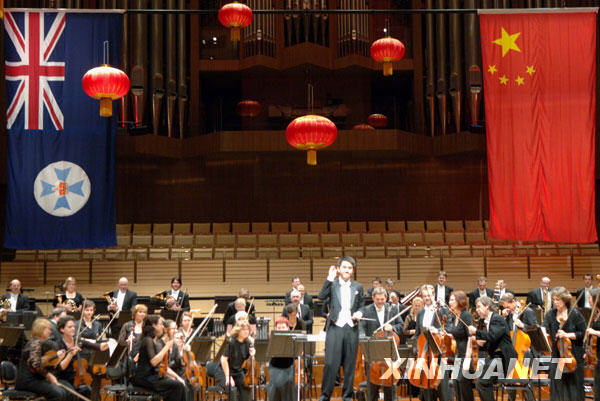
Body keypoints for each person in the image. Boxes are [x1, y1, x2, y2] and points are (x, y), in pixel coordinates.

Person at [318, 256, 364, 401]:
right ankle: (325, 396)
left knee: (350, 365)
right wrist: (329, 278)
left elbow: (361, 305)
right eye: (344, 267)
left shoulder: (358, 287)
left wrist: (360, 313)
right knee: (330, 363)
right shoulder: (332, 284)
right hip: (335, 328)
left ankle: (347, 397)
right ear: (338, 269)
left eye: (350, 268)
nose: (347, 270)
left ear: (353, 270)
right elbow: (321, 296)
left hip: (351, 328)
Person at [467, 296, 518, 401]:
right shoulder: (485, 321)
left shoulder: (497, 318)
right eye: (476, 307)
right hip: (495, 357)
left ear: (487, 306)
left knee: (482, 383)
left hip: (505, 358)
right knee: (481, 382)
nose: (477, 310)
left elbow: (493, 336)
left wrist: (476, 332)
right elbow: (492, 342)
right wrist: (482, 344)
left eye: (479, 307)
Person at [359, 286, 403, 401]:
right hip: (373, 353)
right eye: (377, 299)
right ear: (373, 298)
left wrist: (392, 327)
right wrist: (364, 338)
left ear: (386, 298)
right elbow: (361, 328)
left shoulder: (392, 309)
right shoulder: (366, 310)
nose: (380, 301)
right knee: (372, 390)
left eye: (382, 299)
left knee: (390, 389)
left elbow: (401, 325)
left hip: (389, 353)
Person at [542, 286, 586, 401]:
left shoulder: (575, 314)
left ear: (565, 300)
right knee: (557, 389)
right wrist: (542, 331)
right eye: (554, 300)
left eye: (558, 300)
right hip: (557, 357)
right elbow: (544, 327)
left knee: (574, 390)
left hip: (573, 357)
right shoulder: (551, 314)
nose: (555, 302)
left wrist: (567, 335)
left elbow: (583, 333)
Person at [132, 315, 185, 401]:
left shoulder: (154, 341)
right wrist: (167, 347)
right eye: (161, 324)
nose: (163, 327)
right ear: (154, 325)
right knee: (177, 386)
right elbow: (154, 362)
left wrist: (175, 377)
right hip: (144, 378)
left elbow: (161, 365)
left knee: (179, 385)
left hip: (153, 376)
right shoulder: (147, 340)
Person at [15, 318, 69, 401]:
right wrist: (49, 376)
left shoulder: (42, 344)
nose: (50, 332)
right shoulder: (34, 342)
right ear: (41, 329)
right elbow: (35, 364)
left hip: (37, 379)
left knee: (63, 391)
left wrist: (58, 359)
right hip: (27, 380)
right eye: (48, 329)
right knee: (57, 393)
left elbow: (46, 365)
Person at [55, 315, 108, 399]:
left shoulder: (77, 340)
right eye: (70, 327)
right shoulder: (58, 344)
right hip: (63, 378)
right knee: (72, 394)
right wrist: (70, 355)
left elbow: (97, 346)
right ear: (62, 329)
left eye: (73, 326)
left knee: (89, 390)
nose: (73, 329)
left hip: (77, 376)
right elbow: (61, 367)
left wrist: (106, 344)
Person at [414, 284, 450, 401]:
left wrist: (438, 331)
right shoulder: (420, 312)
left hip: (439, 353)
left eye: (429, 295)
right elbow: (417, 334)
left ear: (434, 295)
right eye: (425, 296)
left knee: (442, 389)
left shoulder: (442, 310)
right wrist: (417, 350)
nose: (427, 298)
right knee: (426, 389)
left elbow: (448, 327)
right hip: (424, 354)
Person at [445, 291, 474, 401]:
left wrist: (467, 358)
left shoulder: (466, 315)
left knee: (463, 383)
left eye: (452, 300)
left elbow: (471, 337)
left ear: (460, 301)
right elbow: (458, 334)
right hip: (458, 355)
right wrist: (448, 335)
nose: (449, 302)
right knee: (456, 382)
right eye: (450, 300)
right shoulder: (455, 316)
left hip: (467, 356)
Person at [221, 321, 256, 401]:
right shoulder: (231, 342)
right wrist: (228, 376)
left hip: (238, 371)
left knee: (246, 388)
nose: (246, 331)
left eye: (247, 329)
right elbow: (223, 359)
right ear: (238, 330)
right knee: (231, 390)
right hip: (224, 371)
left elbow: (248, 362)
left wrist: (252, 354)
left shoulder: (247, 342)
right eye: (243, 329)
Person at [267, 317, 295, 401]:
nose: (281, 329)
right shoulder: (272, 339)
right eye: (279, 328)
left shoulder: (292, 339)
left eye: (283, 327)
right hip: (275, 368)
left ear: (287, 328)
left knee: (289, 389)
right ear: (276, 328)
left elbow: (298, 353)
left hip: (289, 368)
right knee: (276, 387)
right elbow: (270, 355)